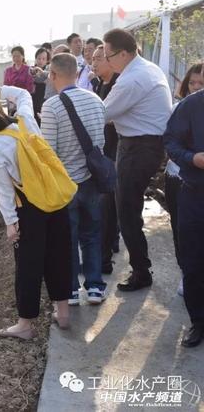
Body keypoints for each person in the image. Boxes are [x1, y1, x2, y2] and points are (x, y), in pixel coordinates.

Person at [0, 84, 72, 339]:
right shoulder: (25, 121)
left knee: (28, 265)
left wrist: (11, 224)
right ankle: (64, 313)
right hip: (56, 200)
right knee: (59, 255)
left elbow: (3, 191)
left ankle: (25, 325)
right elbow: (23, 94)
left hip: (30, 209)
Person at [102, 28, 172, 291]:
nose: (107, 62)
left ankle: (142, 272)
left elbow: (104, 113)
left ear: (123, 53)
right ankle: (141, 267)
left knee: (127, 211)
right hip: (141, 145)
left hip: (138, 148)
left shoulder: (133, 79)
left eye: (108, 56)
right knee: (128, 209)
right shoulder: (146, 68)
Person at [41, 53, 107, 305]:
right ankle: (95, 287)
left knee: (67, 237)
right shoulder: (96, 100)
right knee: (91, 233)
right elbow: (100, 142)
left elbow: (49, 152)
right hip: (92, 179)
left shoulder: (52, 106)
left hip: (65, 183)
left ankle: (70, 291)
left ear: (54, 74)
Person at [163, 69, 204, 348]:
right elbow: (170, 142)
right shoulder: (191, 105)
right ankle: (198, 322)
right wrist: (192, 158)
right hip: (194, 195)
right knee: (192, 262)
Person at [91, 45, 121, 275]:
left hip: (115, 151)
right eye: (92, 59)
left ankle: (103, 260)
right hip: (102, 151)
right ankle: (106, 252)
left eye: (99, 58)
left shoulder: (119, 84)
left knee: (106, 206)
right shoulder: (99, 83)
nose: (94, 63)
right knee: (106, 206)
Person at [30, 48, 50, 125]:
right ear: (35, 59)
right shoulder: (31, 70)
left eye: (43, 59)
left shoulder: (48, 71)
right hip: (32, 99)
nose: (41, 61)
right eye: (39, 58)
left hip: (43, 100)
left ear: (47, 60)